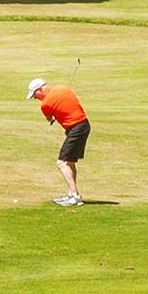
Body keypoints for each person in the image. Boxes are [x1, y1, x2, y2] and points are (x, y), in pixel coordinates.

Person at [28, 76, 91, 205]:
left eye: (35, 95)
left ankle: (75, 196)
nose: (35, 98)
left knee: (62, 163)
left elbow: (49, 118)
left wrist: (52, 118)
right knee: (70, 162)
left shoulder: (45, 104)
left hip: (76, 129)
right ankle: (71, 193)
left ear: (39, 89)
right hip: (84, 125)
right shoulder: (63, 88)